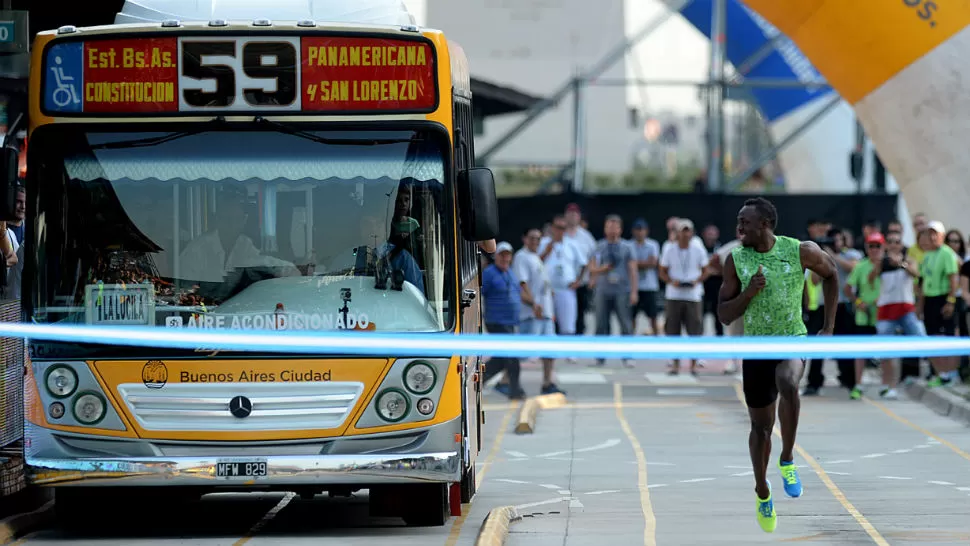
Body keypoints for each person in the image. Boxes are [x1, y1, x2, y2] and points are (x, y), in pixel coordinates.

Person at [717, 197, 838, 534]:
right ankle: (762, 490)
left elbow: (831, 275)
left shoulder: (799, 250)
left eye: (746, 223)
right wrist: (748, 294)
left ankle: (787, 458)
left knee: (789, 382)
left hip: (792, 339)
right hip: (756, 348)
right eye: (738, 221)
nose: (739, 228)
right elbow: (724, 314)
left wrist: (827, 327)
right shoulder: (736, 260)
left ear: (765, 224)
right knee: (760, 428)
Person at [481, 242, 525, 400]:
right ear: (496, 256)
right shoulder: (489, 273)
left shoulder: (510, 273)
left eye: (507, 255)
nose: (505, 258)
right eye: (502, 254)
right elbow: (480, 294)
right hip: (496, 321)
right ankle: (515, 391)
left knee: (502, 358)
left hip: (510, 322)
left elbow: (517, 293)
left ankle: (481, 379)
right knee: (512, 357)